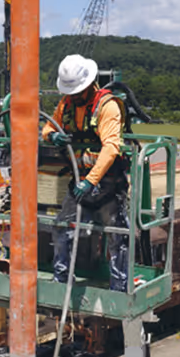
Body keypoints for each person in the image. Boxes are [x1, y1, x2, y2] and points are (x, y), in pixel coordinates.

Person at [42, 54, 129, 291]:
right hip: (79, 181)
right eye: (71, 93)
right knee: (62, 228)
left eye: (78, 92)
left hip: (107, 183)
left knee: (117, 235)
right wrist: (52, 135)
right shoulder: (67, 104)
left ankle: (119, 287)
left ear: (90, 85)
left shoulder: (107, 106)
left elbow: (111, 147)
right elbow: (48, 126)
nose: (74, 97)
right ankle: (61, 279)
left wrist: (91, 181)